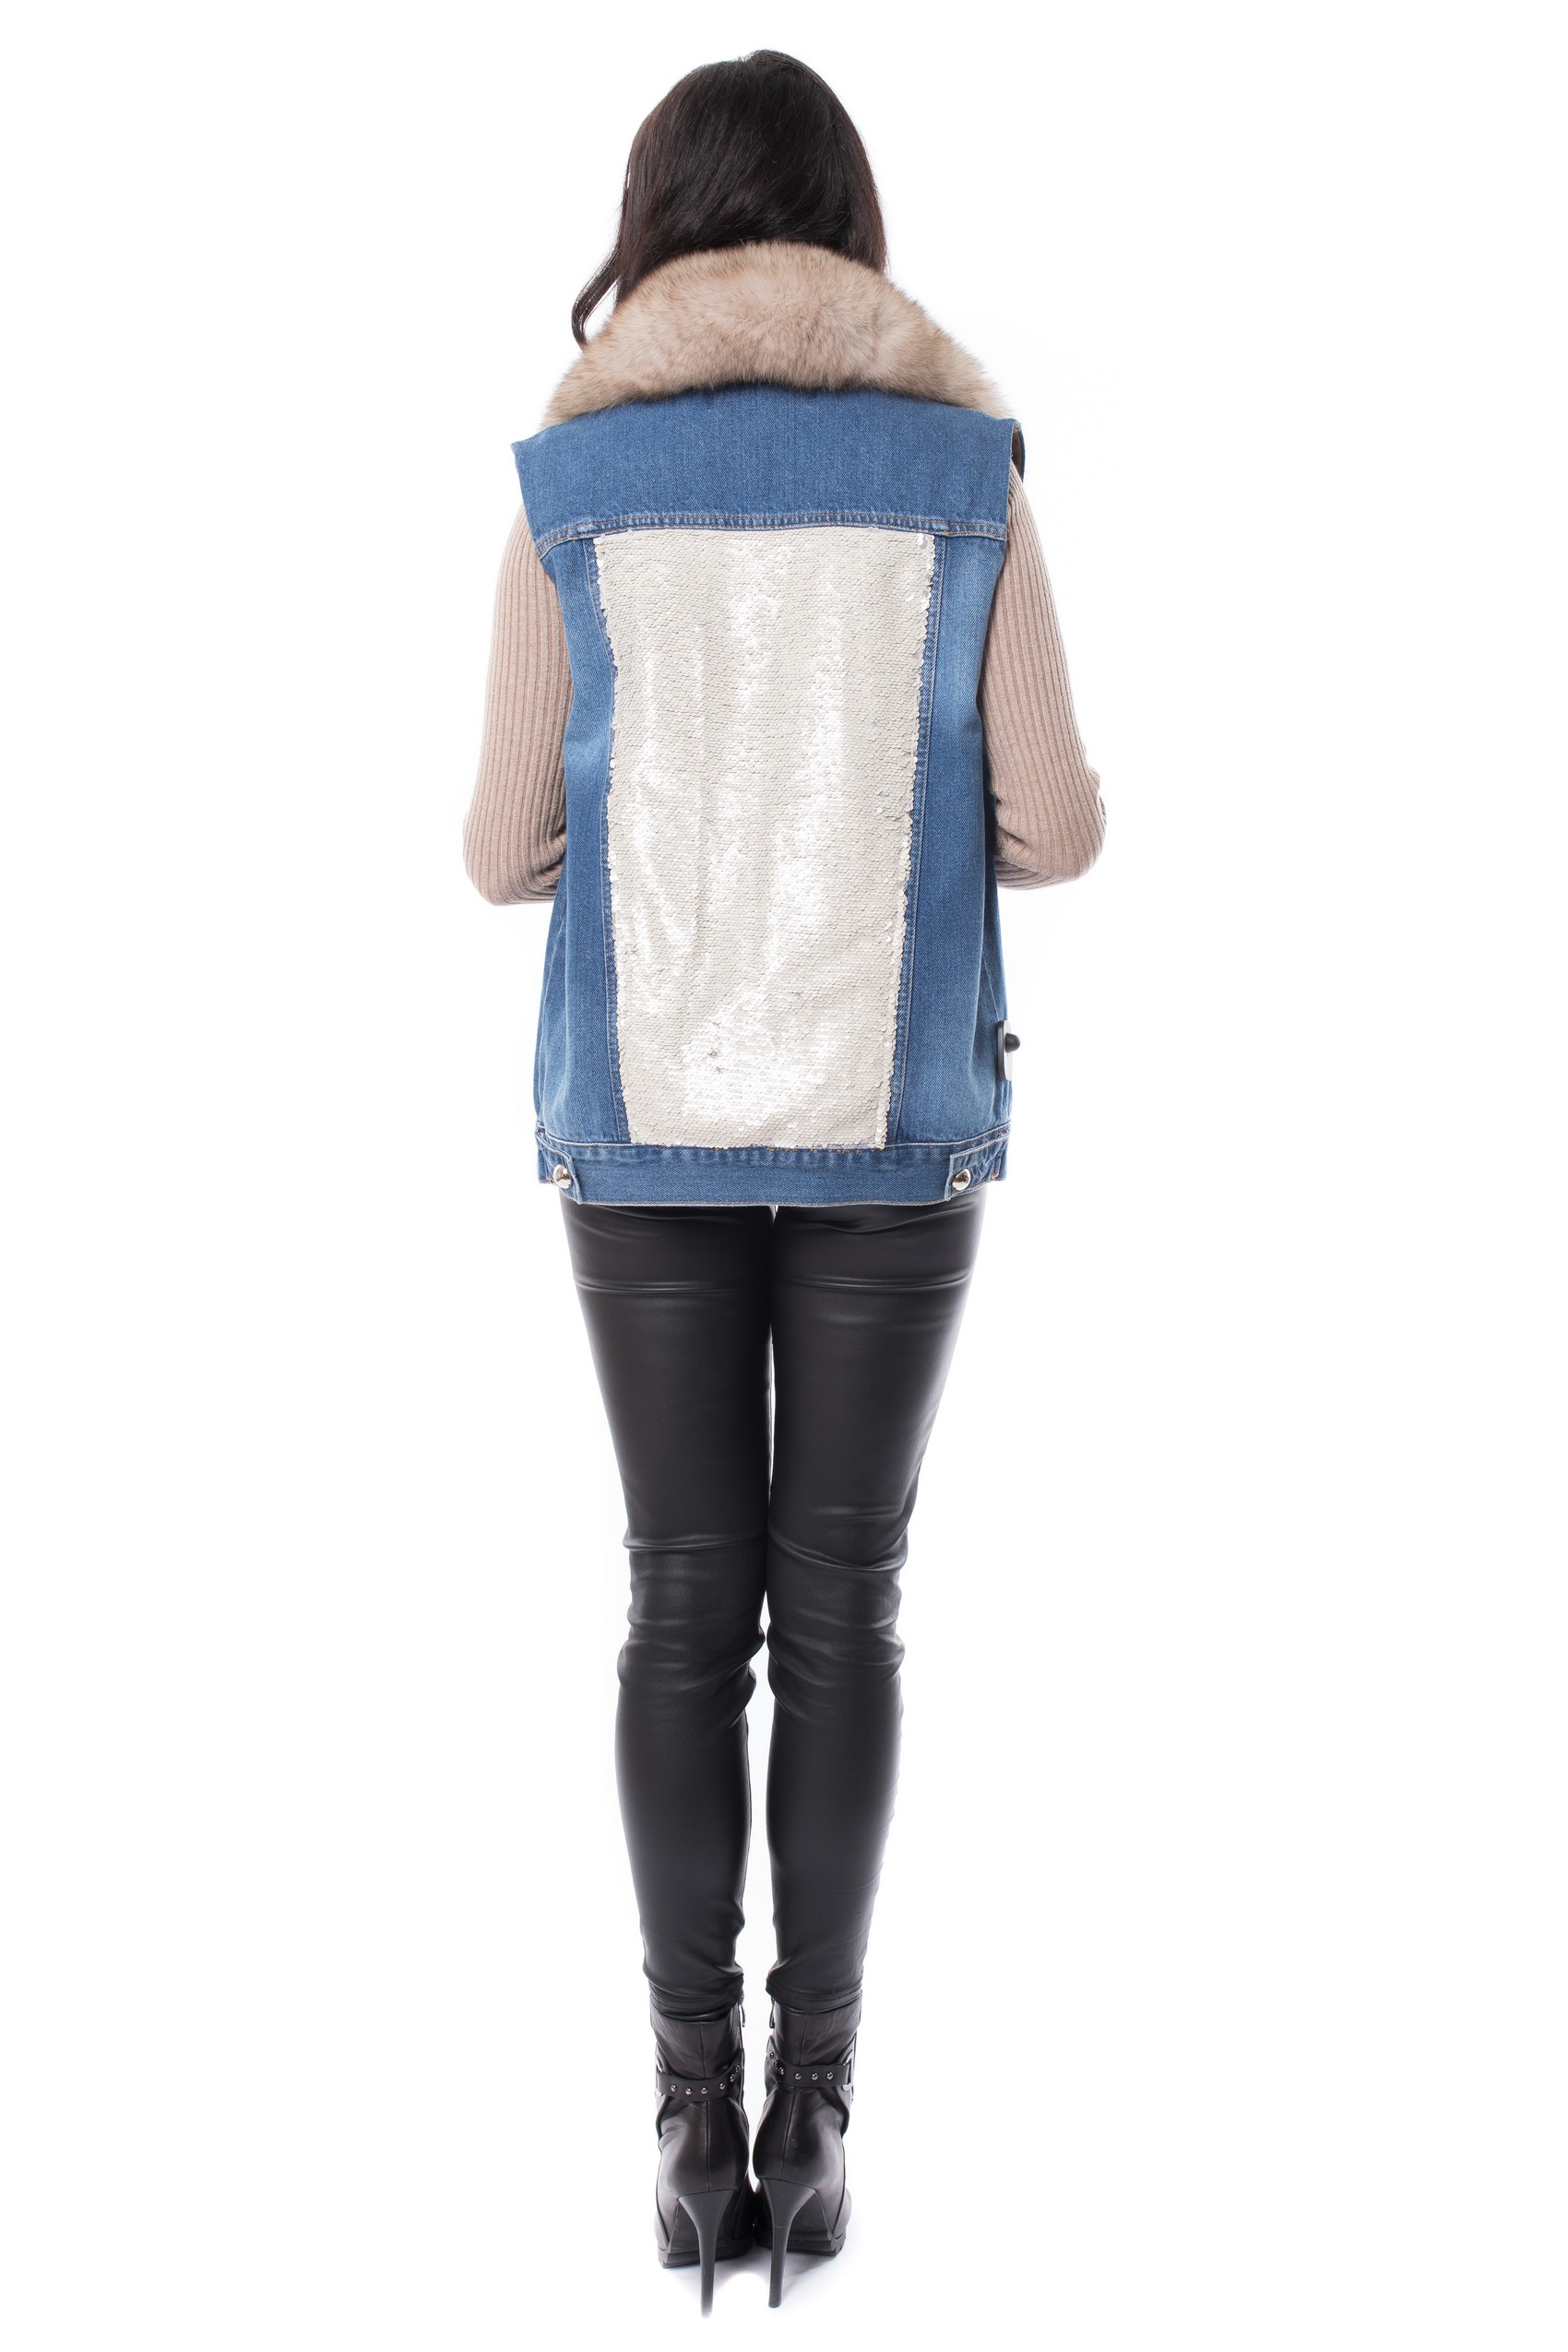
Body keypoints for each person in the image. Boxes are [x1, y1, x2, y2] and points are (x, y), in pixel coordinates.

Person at [464, 49, 1104, 2312]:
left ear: (653, 226)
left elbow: (498, 851)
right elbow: (1057, 825)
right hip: (888, 1120)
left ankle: (682, 2125)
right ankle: (812, 2123)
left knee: (678, 1604)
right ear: (851, 225)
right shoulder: (962, 471)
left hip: (643, 1125)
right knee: (845, 1611)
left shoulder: (575, 483)